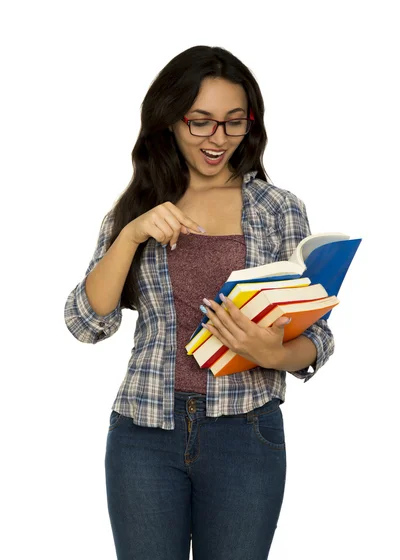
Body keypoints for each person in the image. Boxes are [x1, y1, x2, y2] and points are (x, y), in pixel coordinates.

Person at [64, 45, 335, 560]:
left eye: (234, 123)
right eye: (201, 122)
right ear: (169, 121)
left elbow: (317, 335)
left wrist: (274, 354)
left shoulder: (278, 209)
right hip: (145, 432)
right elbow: (85, 322)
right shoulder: (138, 208)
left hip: (246, 432)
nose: (218, 139)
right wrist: (130, 236)